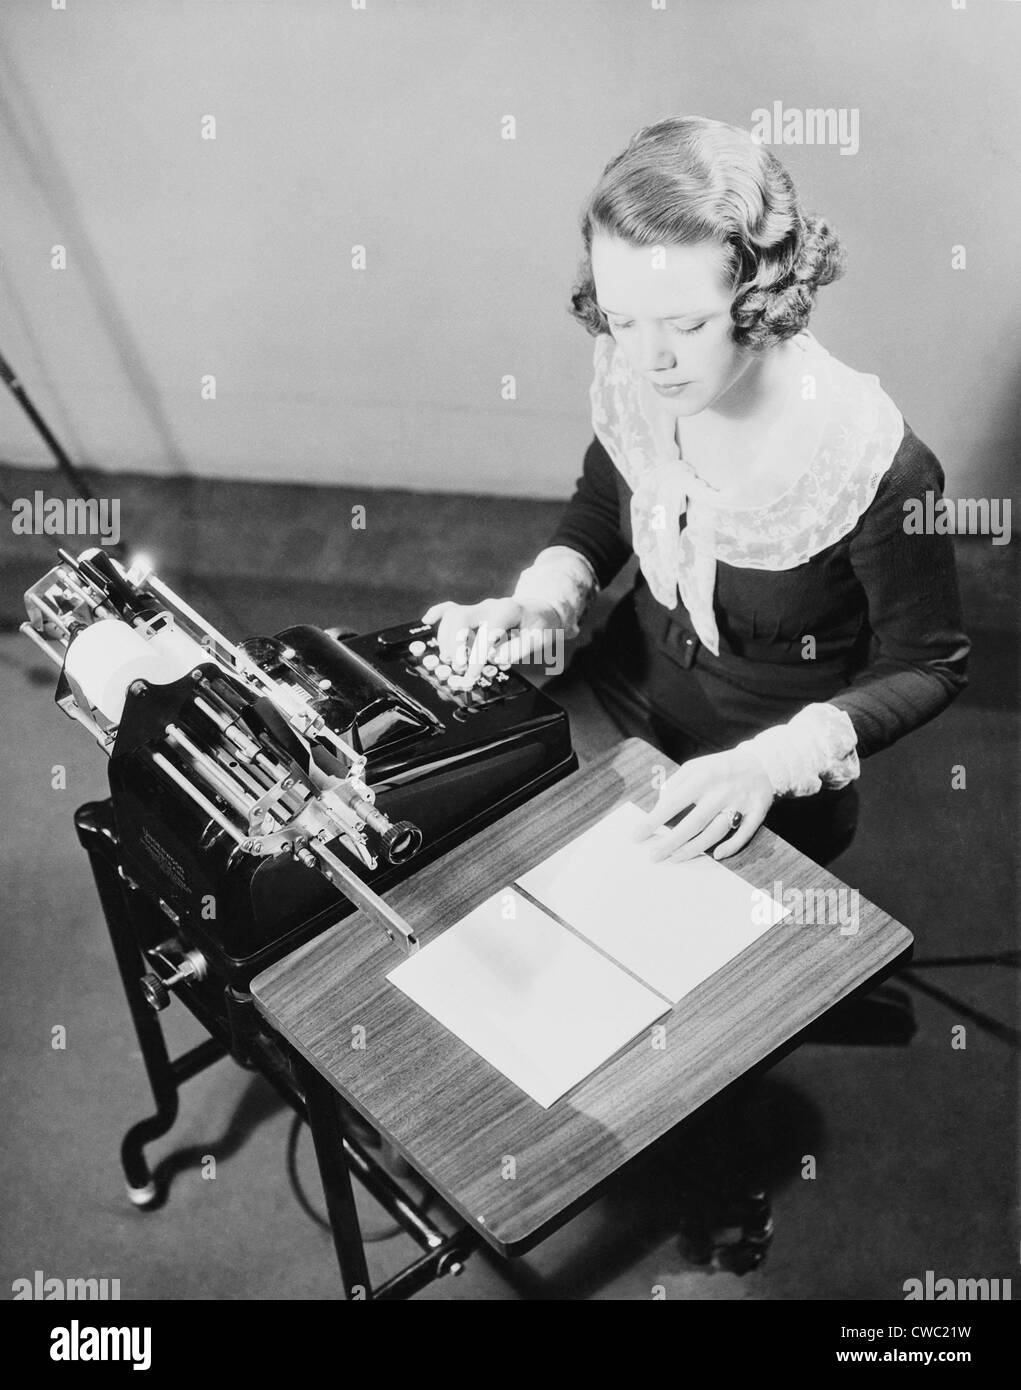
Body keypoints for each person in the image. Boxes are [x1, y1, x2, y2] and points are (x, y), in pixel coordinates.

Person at [422, 116, 970, 867]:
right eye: (620, 320)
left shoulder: (874, 463)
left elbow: (927, 663)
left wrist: (771, 765)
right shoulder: (637, 367)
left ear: (760, 291)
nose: (649, 359)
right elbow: (601, 505)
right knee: (473, 866)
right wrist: (544, 597)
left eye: (686, 323)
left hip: (757, 769)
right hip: (614, 695)